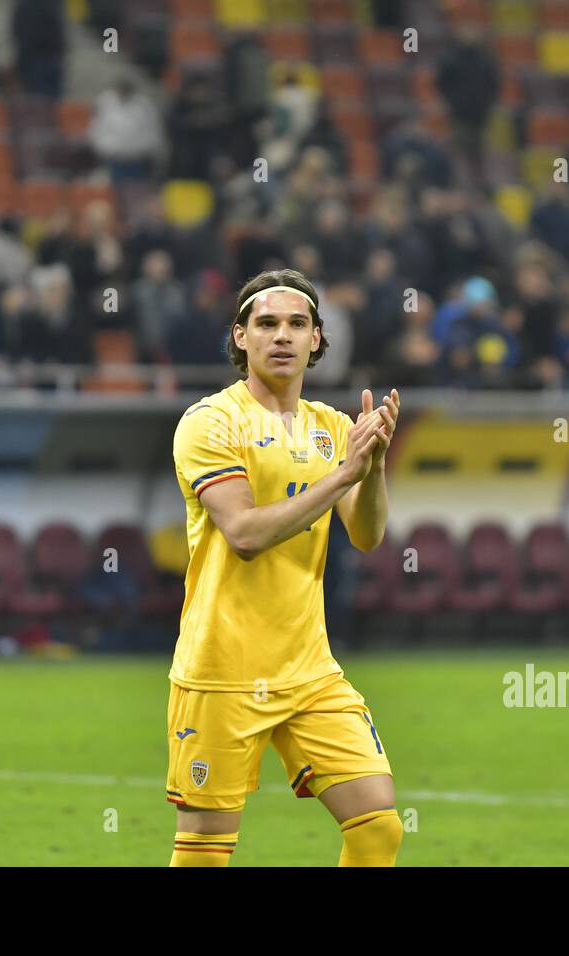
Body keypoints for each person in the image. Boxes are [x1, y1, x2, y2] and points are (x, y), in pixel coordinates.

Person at [166, 268, 402, 866]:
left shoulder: (334, 429)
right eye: (266, 323)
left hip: (308, 670)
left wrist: (369, 469)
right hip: (221, 670)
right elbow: (244, 535)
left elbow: (368, 535)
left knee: (378, 827)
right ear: (240, 337)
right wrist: (342, 476)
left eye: (297, 324)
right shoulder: (210, 422)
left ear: (317, 340)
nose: (282, 336)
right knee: (204, 853)